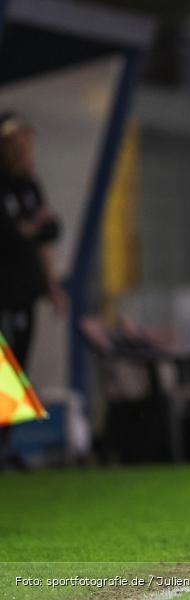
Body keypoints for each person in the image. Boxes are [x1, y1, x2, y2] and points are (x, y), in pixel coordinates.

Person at [0, 111, 66, 468]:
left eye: (26, 141)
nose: (24, 149)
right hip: (4, 295)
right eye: (16, 142)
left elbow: (43, 238)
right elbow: (18, 232)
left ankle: (4, 446)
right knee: (3, 371)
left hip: (25, 294)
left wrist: (53, 287)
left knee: (17, 371)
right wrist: (32, 228)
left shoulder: (30, 186)